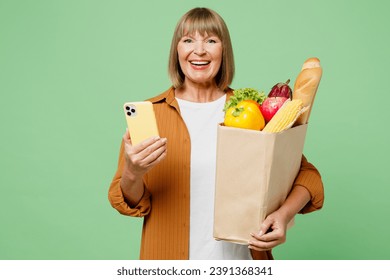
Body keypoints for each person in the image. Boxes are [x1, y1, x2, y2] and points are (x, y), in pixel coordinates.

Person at [108, 7, 324, 260]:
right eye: (188, 40)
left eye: (211, 40)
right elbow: (130, 202)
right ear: (176, 50)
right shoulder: (152, 115)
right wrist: (133, 172)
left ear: (224, 51)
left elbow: (308, 177)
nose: (199, 50)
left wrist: (284, 215)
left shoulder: (251, 111)